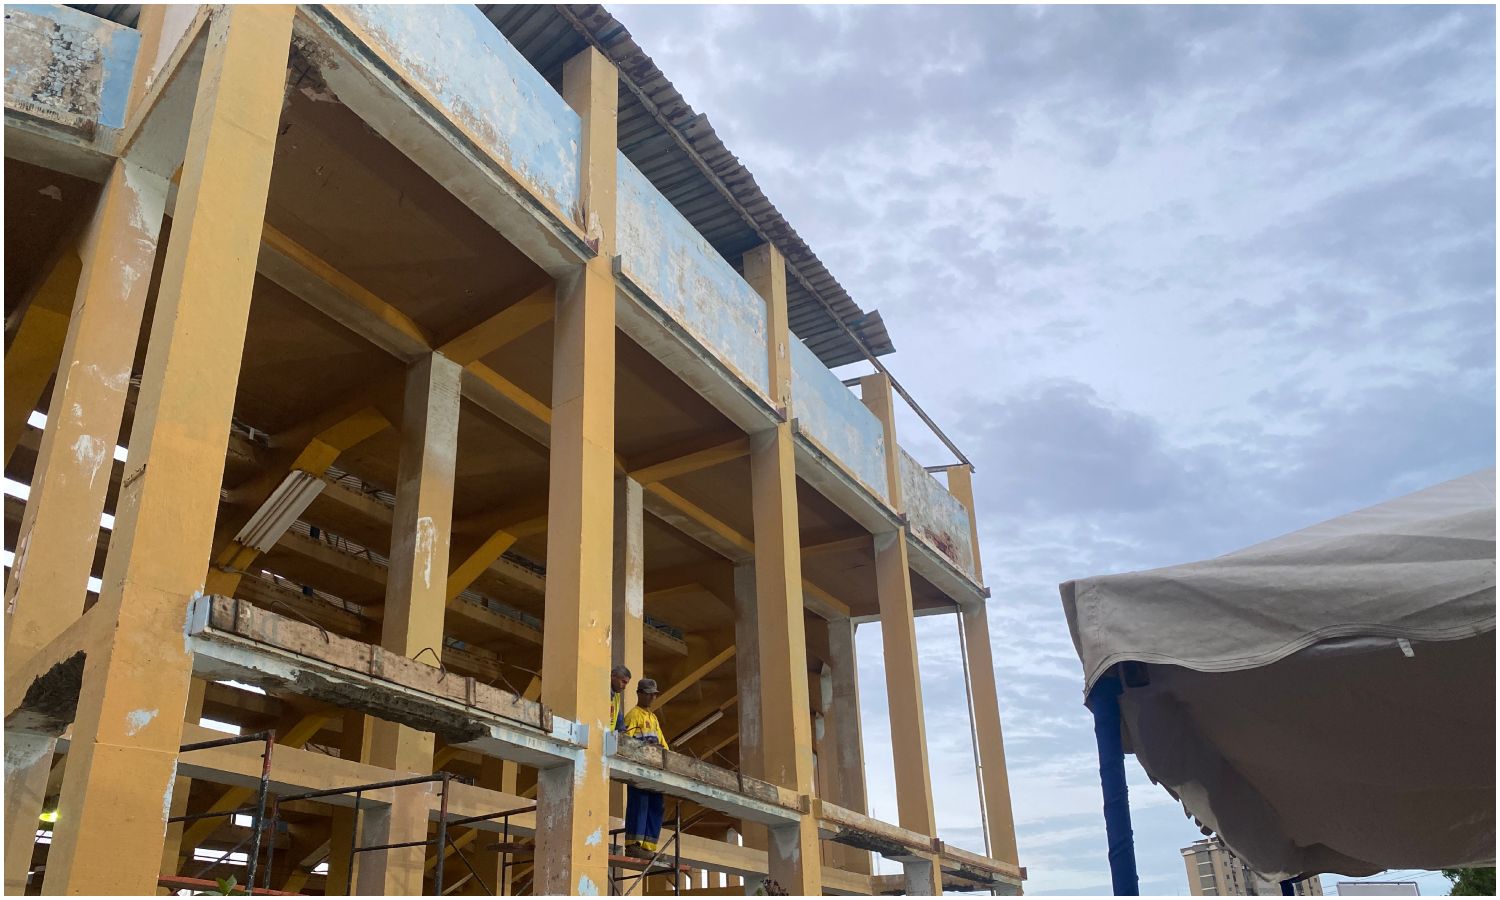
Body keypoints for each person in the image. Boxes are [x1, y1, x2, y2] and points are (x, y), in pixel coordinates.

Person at [622, 678, 668, 856]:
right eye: (648, 694)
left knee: (656, 805)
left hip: (654, 770)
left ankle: (648, 847)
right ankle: (634, 844)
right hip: (639, 769)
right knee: (639, 804)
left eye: (654, 695)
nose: (652, 698)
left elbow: (663, 744)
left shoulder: (653, 718)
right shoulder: (633, 715)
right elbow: (625, 740)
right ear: (639, 694)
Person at [609, 664, 631, 732]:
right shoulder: (602, 692)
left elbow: (620, 724)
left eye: (626, 684)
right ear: (613, 676)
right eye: (623, 682)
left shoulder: (617, 696)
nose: (624, 687)